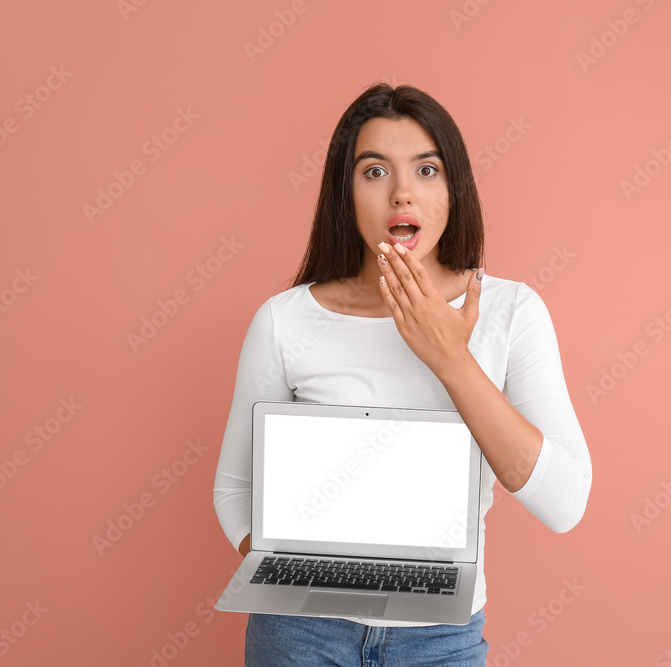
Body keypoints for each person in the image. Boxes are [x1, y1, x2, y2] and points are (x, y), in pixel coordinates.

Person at [213, 82, 592, 666]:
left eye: (426, 169)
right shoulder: (286, 321)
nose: (401, 194)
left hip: (440, 640)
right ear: (346, 192)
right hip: (300, 634)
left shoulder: (511, 312)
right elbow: (235, 489)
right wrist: (295, 577)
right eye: (374, 172)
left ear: (454, 187)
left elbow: (564, 503)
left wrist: (449, 358)